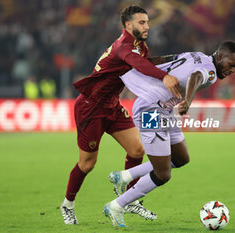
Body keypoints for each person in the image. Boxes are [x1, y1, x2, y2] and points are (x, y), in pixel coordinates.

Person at [60, 5, 181, 224]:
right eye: (141, 22)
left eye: (147, 21)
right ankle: (67, 204)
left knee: (137, 149)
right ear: (128, 25)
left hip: (112, 105)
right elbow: (137, 64)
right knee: (87, 164)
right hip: (91, 107)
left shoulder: (139, 46)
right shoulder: (124, 46)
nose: (147, 26)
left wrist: (180, 64)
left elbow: (143, 65)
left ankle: (129, 199)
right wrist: (164, 77)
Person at [103, 40, 235, 227]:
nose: (233, 70)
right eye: (231, 64)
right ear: (219, 56)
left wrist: (139, 62)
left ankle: (124, 176)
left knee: (181, 158)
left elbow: (166, 59)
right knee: (162, 174)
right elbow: (195, 77)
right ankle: (116, 206)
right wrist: (188, 101)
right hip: (150, 110)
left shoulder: (197, 55)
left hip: (164, 109)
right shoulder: (210, 73)